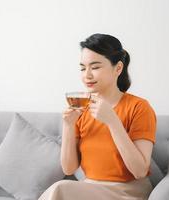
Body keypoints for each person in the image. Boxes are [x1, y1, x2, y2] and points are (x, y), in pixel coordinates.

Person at [38, 33, 156, 200]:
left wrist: (113, 121)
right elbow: (69, 169)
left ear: (118, 68)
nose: (87, 75)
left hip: (127, 192)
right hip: (90, 189)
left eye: (95, 67)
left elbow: (139, 171)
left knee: (60, 189)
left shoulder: (139, 107)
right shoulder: (82, 108)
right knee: (62, 189)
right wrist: (68, 126)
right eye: (82, 68)